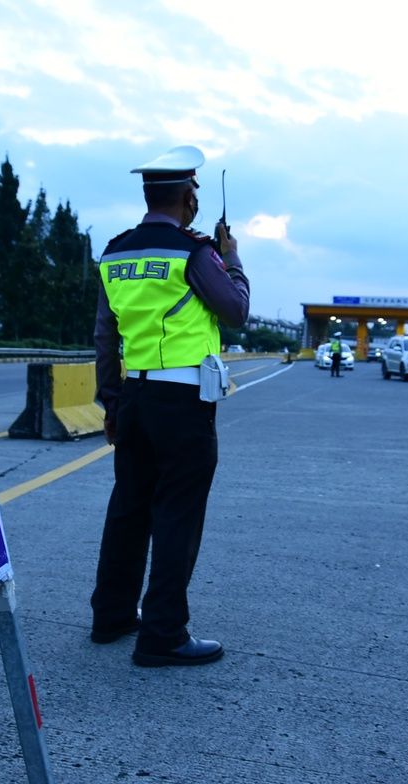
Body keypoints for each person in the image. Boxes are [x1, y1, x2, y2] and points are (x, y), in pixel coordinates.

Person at [90, 145, 250, 667]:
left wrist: (111, 403)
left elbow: (104, 336)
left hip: (133, 398)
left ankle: (111, 617)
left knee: (128, 508)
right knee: (177, 514)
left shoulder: (115, 253)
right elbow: (237, 311)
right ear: (187, 196)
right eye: (195, 191)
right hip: (182, 404)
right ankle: (162, 634)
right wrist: (233, 259)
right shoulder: (195, 251)